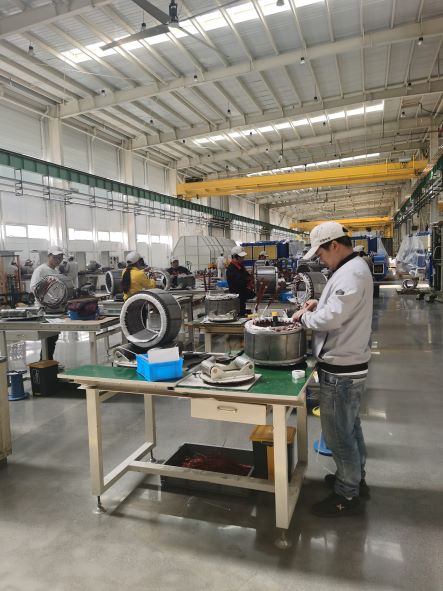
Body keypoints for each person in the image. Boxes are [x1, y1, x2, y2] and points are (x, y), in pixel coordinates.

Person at [292, 221, 373, 517]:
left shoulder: (352, 273)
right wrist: (319, 302)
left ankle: (346, 494)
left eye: (322, 254)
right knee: (350, 428)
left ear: (335, 245)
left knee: (338, 434)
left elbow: (332, 319)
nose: (321, 260)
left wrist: (303, 317)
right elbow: (337, 306)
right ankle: (355, 478)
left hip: (342, 369)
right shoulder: (350, 268)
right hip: (347, 363)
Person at [30, 246, 65, 360]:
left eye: (60, 257)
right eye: (55, 257)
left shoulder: (55, 271)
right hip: (44, 309)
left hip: (54, 308)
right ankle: (44, 362)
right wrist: (46, 299)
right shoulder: (40, 270)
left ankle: (48, 362)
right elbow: (33, 288)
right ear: (49, 256)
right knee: (47, 338)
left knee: (53, 337)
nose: (58, 260)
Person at [226, 245, 256, 316]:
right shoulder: (231, 269)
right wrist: (249, 281)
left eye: (243, 257)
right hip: (237, 299)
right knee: (240, 315)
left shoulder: (240, 266)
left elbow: (247, 276)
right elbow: (241, 282)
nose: (243, 258)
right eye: (241, 257)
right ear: (235, 257)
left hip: (243, 295)